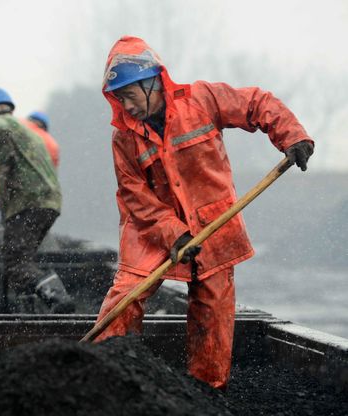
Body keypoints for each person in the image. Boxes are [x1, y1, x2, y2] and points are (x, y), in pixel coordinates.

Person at [94, 36, 314, 389]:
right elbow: (134, 195)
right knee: (128, 294)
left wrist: (292, 136)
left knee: (213, 305)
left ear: (151, 83)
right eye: (118, 98)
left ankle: (207, 390)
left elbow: (255, 103)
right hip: (150, 227)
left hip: (212, 222)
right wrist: (173, 233)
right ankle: (101, 376)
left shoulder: (201, 99)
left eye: (129, 95)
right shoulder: (124, 139)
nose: (125, 105)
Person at [0, 87, 75, 313]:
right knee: (24, 258)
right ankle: (31, 309)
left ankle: (57, 299)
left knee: (15, 263)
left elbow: (3, 167)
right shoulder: (25, 129)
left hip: (27, 203)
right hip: (49, 202)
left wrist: (4, 207)